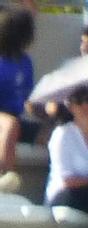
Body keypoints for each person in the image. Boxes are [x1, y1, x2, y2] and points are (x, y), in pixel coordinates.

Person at [44, 87, 88, 219]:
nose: (85, 105)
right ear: (70, 106)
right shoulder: (62, 134)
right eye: (79, 101)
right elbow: (67, 181)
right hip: (65, 195)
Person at [0, 4, 34, 195]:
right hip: (3, 118)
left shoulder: (25, 61)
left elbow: (27, 99)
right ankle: (4, 176)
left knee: (50, 133)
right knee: (10, 125)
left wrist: (44, 112)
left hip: (16, 116)